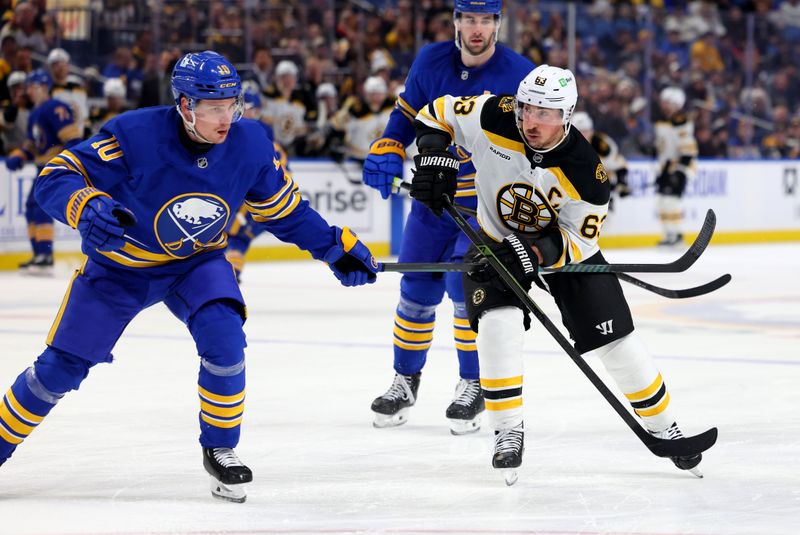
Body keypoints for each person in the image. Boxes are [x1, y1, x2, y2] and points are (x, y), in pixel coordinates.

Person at [0, 51, 378, 503]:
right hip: (120, 268)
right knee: (58, 371)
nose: (226, 118)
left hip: (196, 263)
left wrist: (334, 246)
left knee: (225, 339)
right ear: (184, 105)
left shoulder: (251, 143)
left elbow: (285, 212)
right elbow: (55, 176)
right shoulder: (133, 134)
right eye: (213, 107)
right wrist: (85, 205)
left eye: (232, 105)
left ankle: (221, 447)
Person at [408, 64, 706, 484]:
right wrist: (435, 161)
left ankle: (663, 424)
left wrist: (529, 252)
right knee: (498, 324)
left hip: (560, 251)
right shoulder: (495, 114)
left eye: (545, 113)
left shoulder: (588, 173)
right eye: (528, 108)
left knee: (615, 338)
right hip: (495, 238)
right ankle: (507, 430)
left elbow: (576, 242)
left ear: (566, 116)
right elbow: (436, 113)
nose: (531, 120)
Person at [362, 0, 534, 435]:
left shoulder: (520, 73)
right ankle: (406, 380)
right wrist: (389, 145)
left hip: (483, 206)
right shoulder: (430, 60)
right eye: (470, 19)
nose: (478, 29)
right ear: (456, 22)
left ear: (498, 23)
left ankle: (473, 383)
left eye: (486, 20)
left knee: (464, 287)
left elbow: (535, 140)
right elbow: (406, 114)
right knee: (415, 288)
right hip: (431, 198)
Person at [5, 69, 83, 276]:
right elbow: (33, 144)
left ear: (41, 86)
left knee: (39, 206)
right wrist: (20, 156)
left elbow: (73, 138)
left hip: (55, 166)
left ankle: (45, 256)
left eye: (30, 87)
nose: (28, 92)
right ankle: (39, 253)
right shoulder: (35, 113)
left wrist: (71, 163)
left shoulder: (55, 107)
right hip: (43, 167)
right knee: (32, 205)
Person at [224, 81, 292, 282]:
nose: (246, 114)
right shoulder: (246, 134)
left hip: (264, 199)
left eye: (249, 109)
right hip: (262, 199)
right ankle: (229, 272)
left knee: (235, 234)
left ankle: (229, 273)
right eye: (242, 109)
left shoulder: (256, 136)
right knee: (234, 235)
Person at [654, 87, 697, 246]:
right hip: (666, 167)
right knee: (662, 201)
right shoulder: (663, 121)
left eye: (667, 102)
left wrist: (680, 171)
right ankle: (668, 234)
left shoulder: (681, 121)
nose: (664, 105)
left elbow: (687, 148)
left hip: (678, 168)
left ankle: (676, 234)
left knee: (671, 201)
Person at [571, 111, 631, 212]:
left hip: (600, 192)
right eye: (579, 131)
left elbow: (620, 163)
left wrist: (622, 182)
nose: (583, 135)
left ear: (591, 131)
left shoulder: (602, 144)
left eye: (586, 131)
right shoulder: (566, 144)